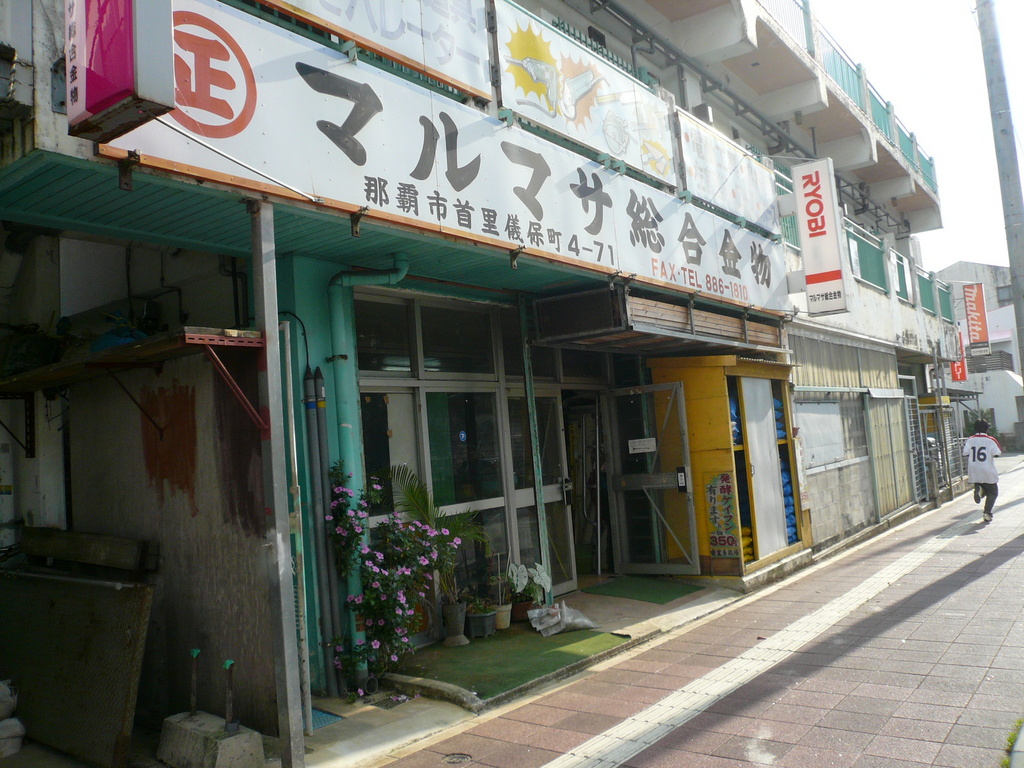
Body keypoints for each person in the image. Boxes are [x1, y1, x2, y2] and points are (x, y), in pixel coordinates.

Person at [962, 419, 1001, 522]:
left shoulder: (970, 440)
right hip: (987, 469)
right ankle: (987, 513)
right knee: (993, 492)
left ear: (975, 429)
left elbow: (965, 453)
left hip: (973, 469)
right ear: (987, 429)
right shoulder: (991, 440)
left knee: (982, 484)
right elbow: (997, 453)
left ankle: (979, 489)